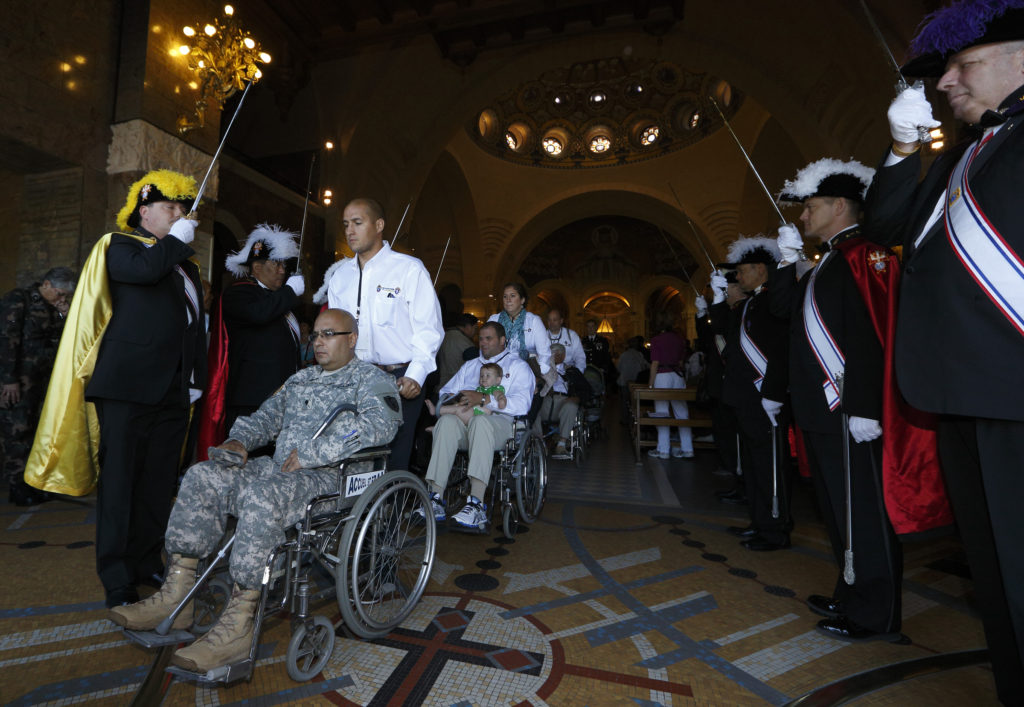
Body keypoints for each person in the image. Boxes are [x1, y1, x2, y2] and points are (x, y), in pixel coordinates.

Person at [862, 3, 1024, 699]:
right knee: (997, 576)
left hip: (1013, 386)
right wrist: (901, 150)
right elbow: (887, 223)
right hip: (960, 393)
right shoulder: (962, 154)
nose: (946, 83)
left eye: (966, 65)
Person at [107, 308, 401, 673]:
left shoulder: (371, 381)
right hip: (280, 469)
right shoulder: (301, 379)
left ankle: (239, 624)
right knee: (203, 476)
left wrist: (312, 454)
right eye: (316, 335)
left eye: (329, 334)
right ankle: (176, 593)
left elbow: (377, 428)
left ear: (352, 339)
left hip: (332, 478)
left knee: (265, 496)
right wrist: (239, 440)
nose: (319, 342)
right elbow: (265, 417)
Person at [771, 158, 948, 643]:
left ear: (840, 205)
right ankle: (850, 590)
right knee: (837, 511)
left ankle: (875, 613)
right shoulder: (826, 261)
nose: (803, 217)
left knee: (864, 515)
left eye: (810, 207)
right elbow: (785, 316)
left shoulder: (863, 257)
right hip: (823, 410)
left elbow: (873, 333)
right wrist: (789, 266)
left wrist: (866, 405)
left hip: (850, 409)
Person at [82, 169, 207, 608]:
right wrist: (176, 241)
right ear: (144, 210)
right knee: (119, 486)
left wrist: (196, 379)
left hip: (174, 391)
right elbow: (145, 272)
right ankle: (116, 576)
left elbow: (195, 327)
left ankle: (144, 560)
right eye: (170, 208)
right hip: (127, 388)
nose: (178, 215)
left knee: (157, 484)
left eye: (182, 208)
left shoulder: (185, 265)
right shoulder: (119, 246)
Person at [326, 198, 444, 471]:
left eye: (357, 223)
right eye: (345, 224)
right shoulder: (340, 276)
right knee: (351, 452)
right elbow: (334, 331)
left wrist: (416, 375)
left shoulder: (408, 269)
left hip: (399, 377)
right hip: (354, 376)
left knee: (393, 456)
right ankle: (358, 512)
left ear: (379, 225)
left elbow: (429, 329)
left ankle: (391, 511)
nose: (350, 231)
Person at [421, 321, 535, 532]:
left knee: (481, 422)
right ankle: (435, 497)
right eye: (481, 338)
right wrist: (454, 400)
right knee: (446, 421)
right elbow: (446, 391)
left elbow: (523, 404)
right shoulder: (471, 366)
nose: (483, 343)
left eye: (489, 338)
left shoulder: (518, 366)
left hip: (501, 423)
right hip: (467, 421)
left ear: (502, 341)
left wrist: (484, 399)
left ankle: (476, 503)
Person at [718, 237, 792, 551]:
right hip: (744, 397)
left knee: (768, 465)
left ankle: (775, 529)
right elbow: (723, 335)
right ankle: (759, 521)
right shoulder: (749, 303)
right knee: (752, 464)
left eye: (743, 271)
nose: (739, 277)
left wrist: (773, 392)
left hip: (764, 396)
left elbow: (779, 349)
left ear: (761, 269)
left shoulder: (774, 300)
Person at [1, 267, 76, 505]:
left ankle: (34, 484)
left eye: (66, 296)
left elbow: (66, 340)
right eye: (60, 294)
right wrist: (8, 379)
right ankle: (18, 488)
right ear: (46, 285)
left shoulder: (56, 308)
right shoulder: (19, 299)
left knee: (36, 433)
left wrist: (65, 314)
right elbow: (6, 339)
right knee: (17, 432)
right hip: (19, 381)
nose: (62, 299)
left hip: (42, 380)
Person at [218, 224, 304, 433]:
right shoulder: (239, 294)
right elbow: (260, 313)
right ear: (257, 267)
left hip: (279, 397)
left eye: (284, 264)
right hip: (251, 398)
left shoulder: (277, 298)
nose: (283, 270)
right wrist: (289, 292)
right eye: (276, 264)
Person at [646, 312, 694, 460]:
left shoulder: (656, 340)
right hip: (678, 375)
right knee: (682, 413)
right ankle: (688, 449)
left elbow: (655, 363)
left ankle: (664, 450)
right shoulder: (680, 339)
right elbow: (681, 361)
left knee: (662, 413)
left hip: (662, 374)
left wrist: (650, 384)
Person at [487, 282, 552, 379]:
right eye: (505, 296)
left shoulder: (533, 321)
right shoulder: (494, 320)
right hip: (497, 373)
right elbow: (485, 349)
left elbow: (545, 354)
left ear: (522, 300)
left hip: (526, 373)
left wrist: (535, 376)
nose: (508, 300)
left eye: (512, 296)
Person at [535, 343, 581, 460]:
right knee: (532, 406)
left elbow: (585, 390)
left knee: (571, 406)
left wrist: (577, 397)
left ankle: (561, 444)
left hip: (564, 400)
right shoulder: (542, 370)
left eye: (556, 353)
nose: (553, 356)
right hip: (545, 399)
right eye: (552, 353)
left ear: (563, 356)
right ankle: (540, 443)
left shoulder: (572, 371)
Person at [434, 362, 507, 424]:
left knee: (459, 411)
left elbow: (498, 394)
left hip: (481, 414)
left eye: (488, 376)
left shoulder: (495, 389)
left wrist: (501, 400)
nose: (483, 378)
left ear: (498, 380)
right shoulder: (479, 389)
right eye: (481, 376)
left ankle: (436, 410)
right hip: (473, 412)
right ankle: (438, 423)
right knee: (457, 408)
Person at [437, 312, 478, 386]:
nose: (475, 332)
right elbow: (475, 365)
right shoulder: (464, 341)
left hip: (440, 383)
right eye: (475, 328)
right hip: (455, 385)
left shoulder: (444, 335)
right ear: (468, 327)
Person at [616, 335, 649, 424]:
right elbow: (645, 366)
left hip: (624, 381)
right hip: (636, 381)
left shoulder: (623, 355)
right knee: (635, 401)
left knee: (625, 401)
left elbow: (618, 368)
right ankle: (636, 420)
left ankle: (625, 419)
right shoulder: (639, 355)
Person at [546, 308, 586, 374]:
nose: (551, 323)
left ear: (561, 321)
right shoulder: (542, 336)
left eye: (554, 320)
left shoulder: (572, 335)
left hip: (569, 372)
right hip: (549, 373)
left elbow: (580, 356)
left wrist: (578, 373)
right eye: (549, 320)